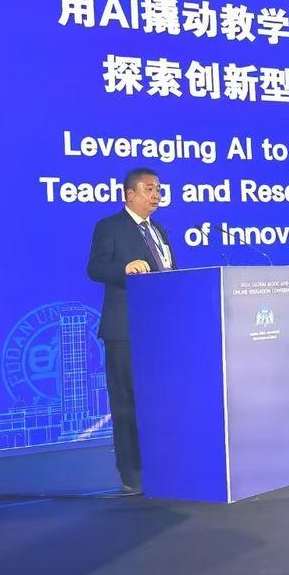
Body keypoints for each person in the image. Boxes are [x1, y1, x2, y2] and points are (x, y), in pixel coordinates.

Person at [87, 167, 177, 494]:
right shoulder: (110, 227)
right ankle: (131, 472)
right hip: (124, 329)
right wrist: (124, 268)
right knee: (126, 403)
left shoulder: (159, 230)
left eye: (159, 190)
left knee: (158, 401)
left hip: (159, 331)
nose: (157, 196)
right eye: (150, 189)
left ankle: (162, 463)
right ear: (130, 194)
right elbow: (95, 268)